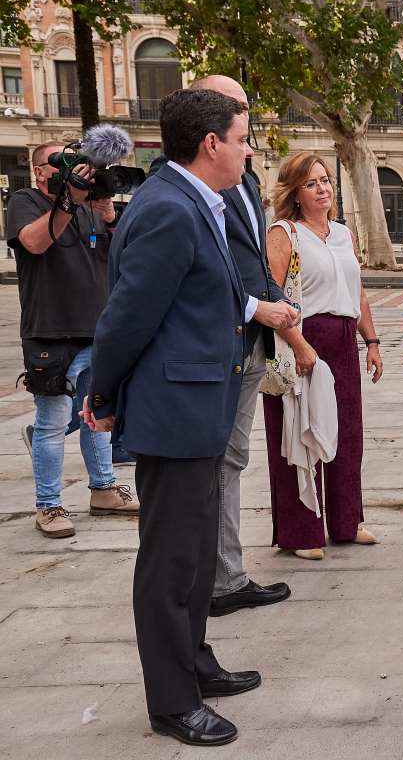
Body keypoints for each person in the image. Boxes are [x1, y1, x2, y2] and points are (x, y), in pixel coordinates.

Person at [84, 88, 274, 746]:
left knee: (192, 554)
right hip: (174, 410)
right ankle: (171, 701)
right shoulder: (169, 209)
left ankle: (194, 662)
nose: (250, 150)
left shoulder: (196, 201)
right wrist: (102, 394)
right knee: (169, 562)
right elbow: (127, 316)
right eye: (244, 138)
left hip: (199, 406)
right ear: (212, 143)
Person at [190, 75, 293, 618]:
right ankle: (212, 580)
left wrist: (276, 305)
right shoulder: (185, 189)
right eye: (233, 109)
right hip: (218, 345)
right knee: (212, 464)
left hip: (252, 341)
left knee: (231, 460)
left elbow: (250, 258)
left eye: (245, 106)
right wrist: (258, 307)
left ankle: (229, 575)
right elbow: (206, 274)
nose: (244, 119)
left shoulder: (246, 179)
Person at [5, 141, 136, 539]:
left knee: (97, 416)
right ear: (40, 170)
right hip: (51, 330)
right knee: (52, 422)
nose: (73, 170)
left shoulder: (90, 206)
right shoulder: (25, 201)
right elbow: (34, 242)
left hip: (98, 329)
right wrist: (68, 201)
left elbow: (124, 258)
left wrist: (110, 216)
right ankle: (49, 504)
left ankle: (104, 489)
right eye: (60, 162)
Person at [263, 151, 383, 561]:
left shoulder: (343, 233)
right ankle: (301, 532)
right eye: (312, 182)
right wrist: (299, 344)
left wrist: (372, 341)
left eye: (326, 180)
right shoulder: (284, 233)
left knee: (347, 434)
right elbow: (272, 297)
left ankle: (347, 522)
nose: (323, 188)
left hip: (344, 339)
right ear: (295, 192)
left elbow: (358, 291)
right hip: (301, 340)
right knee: (299, 435)